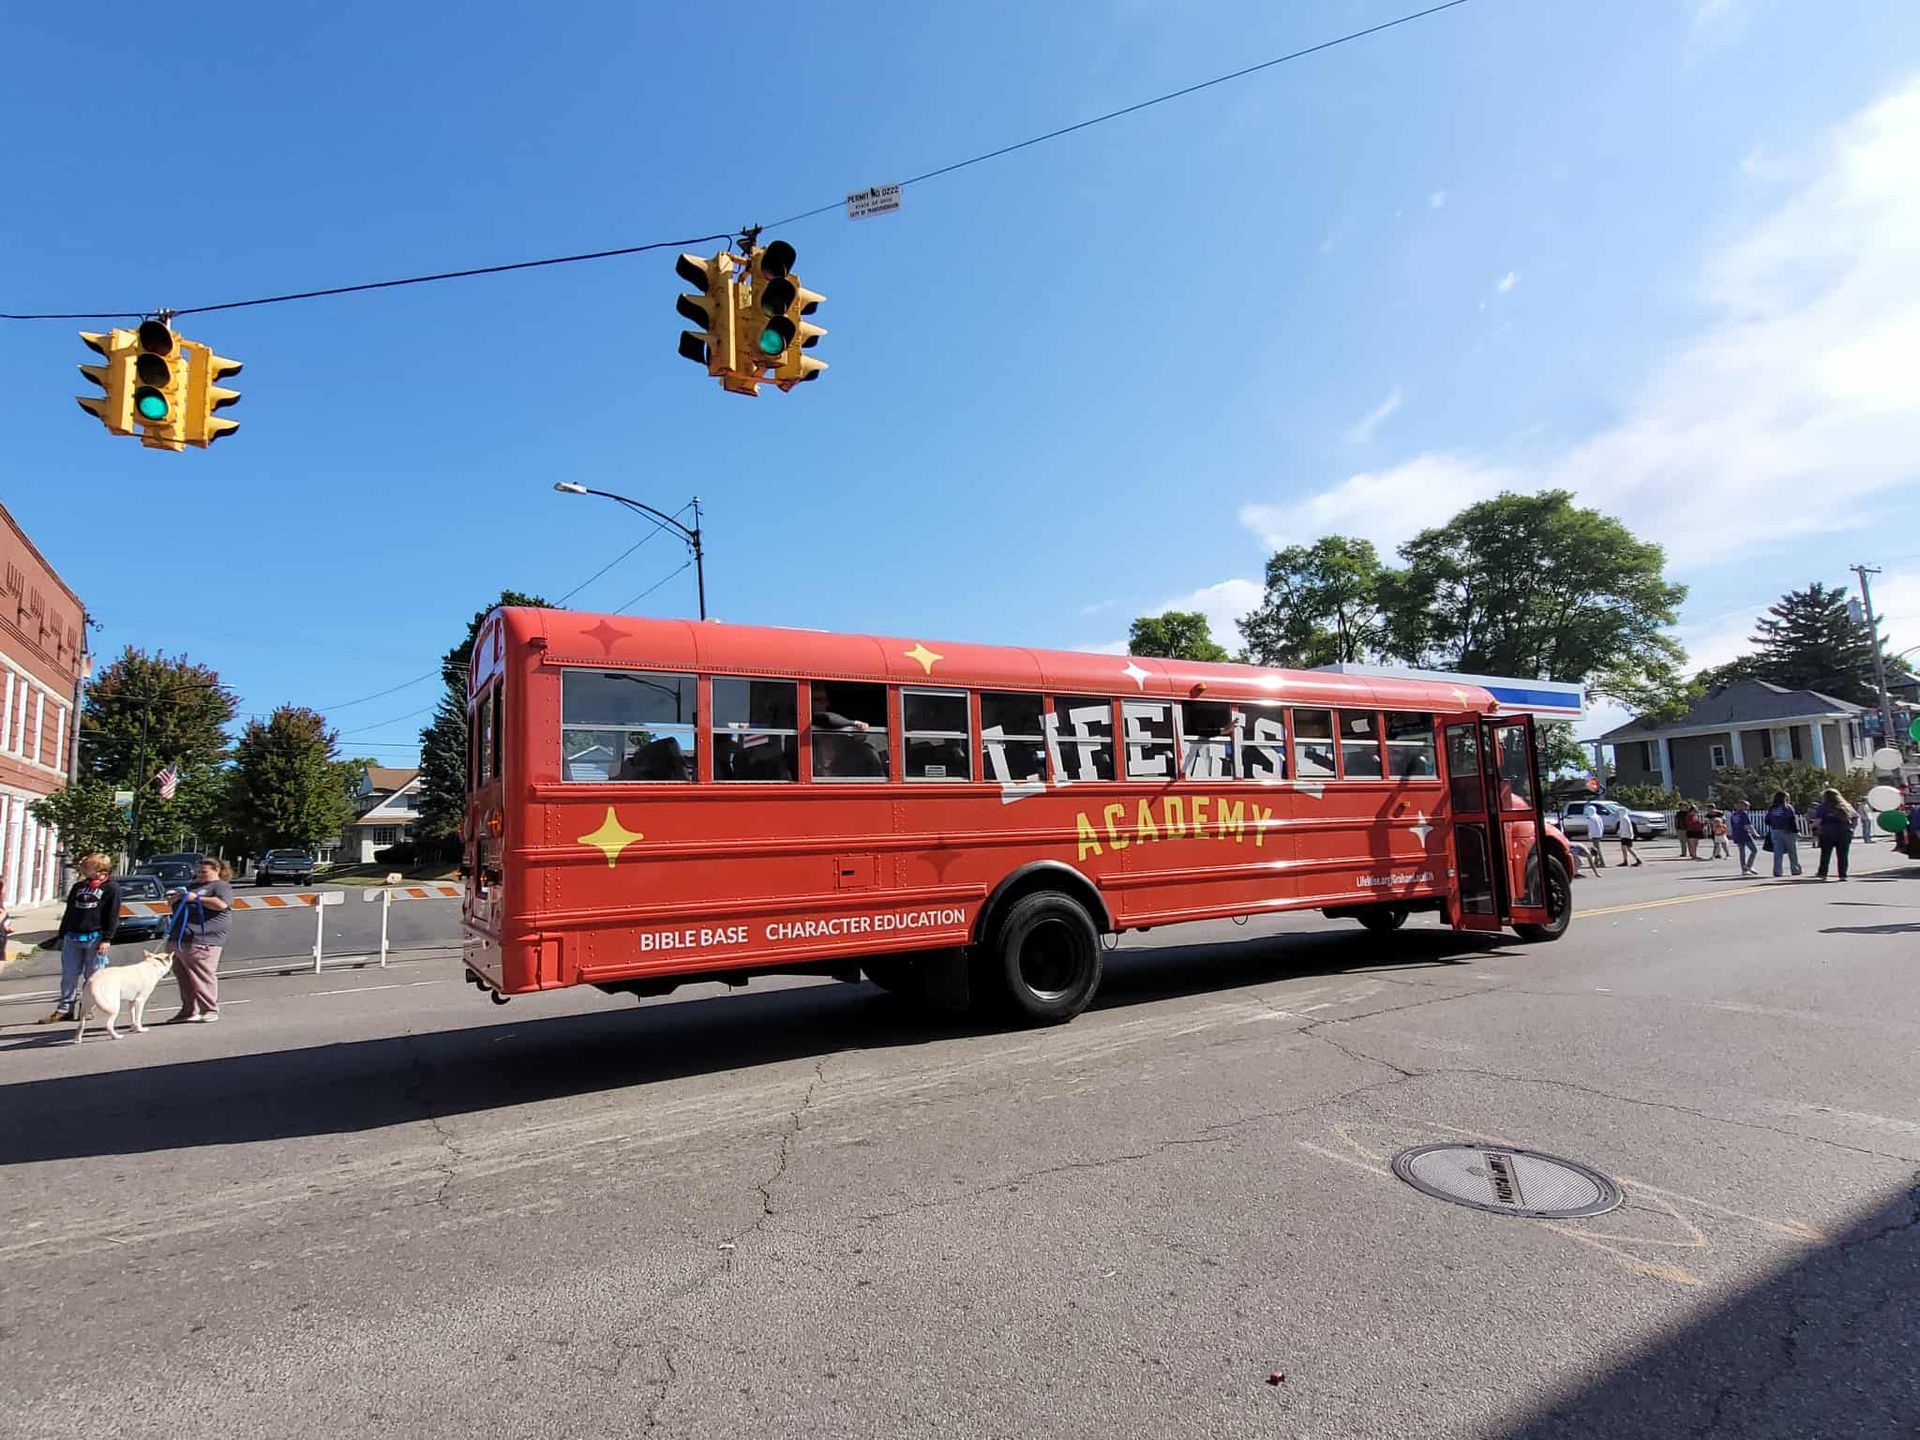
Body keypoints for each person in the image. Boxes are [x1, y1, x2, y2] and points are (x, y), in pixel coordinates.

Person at [39, 854, 119, 1024]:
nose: (83, 869)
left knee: (93, 976)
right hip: (73, 936)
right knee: (69, 974)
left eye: (87, 866)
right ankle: (65, 1008)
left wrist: (107, 938)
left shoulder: (111, 888)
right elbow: (69, 911)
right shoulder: (78, 887)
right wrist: (62, 933)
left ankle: (87, 1008)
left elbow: (112, 915)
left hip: (95, 937)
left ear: (99, 870)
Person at [165, 856, 234, 1023]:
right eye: (199, 872)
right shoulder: (193, 886)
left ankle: (209, 1009)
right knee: (184, 977)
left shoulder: (221, 886)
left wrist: (196, 899)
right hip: (181, 937)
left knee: (203, 975)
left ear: (217, 870)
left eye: (205, 872)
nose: (201, 875)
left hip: (204, 938)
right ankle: (189, 1010)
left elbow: (221, 905)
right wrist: (176, 898)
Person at [1811, 787, 1856, 881]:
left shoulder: (1823, 807)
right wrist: (1852, 828)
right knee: (1843, 855)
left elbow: (1818, 820)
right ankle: (1842, 874)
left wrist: (1813, 826)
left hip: (1828, 832)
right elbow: (1855, 817)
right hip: (1844, 832)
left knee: (1826, 854)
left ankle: (1823, 873)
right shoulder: (1846, 806)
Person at [1764, 789, 1803, 878]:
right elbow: (1792, 820)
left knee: (1778, 852)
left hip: (1775, 831)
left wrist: (1775, 824)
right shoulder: (1787, 808)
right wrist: (1796, 831)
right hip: (1787, 831)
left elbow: (1767, 820)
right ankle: (1795, 869)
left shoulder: (1772, 809)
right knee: (1792, 851)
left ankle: (1777, 870)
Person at [1728, 800, 1758, 875]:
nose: (1748, 808)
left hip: (1737, 834)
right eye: (1746, 806)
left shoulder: (1734, 815)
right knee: (1754, 850)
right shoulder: (1743, 814)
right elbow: (1748, 825)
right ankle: (1748, 866)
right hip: (1744, 834)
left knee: (1742, 852)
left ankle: (1744, 869)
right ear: (1742, 806)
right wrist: (1754, 833)